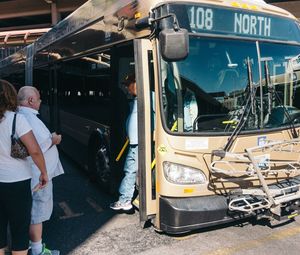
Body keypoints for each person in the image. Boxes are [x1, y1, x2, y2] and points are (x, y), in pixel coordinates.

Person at [0, 80, 48, 255]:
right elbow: (35, 151)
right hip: (17, 182)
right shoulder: (16, 119)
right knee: (20, 228)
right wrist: (43, 173)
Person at [17, 86, 64, 255]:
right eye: (38, 99)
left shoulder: (19, 116)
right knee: (37, 212)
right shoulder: (27, 118)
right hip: (38, 175)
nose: (40, 102)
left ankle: (32, 245)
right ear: (30, 100)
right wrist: (54, 140)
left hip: (32, 173)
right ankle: (37, 250)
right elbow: (36, 147)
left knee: (32, 211)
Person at [110, 73, 138, 211]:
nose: (127, 89)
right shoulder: (136, 99)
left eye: (128, 85)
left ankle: (125, 200)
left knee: (131, 171)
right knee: (129, 170)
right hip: (133, 142)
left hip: (140, 143)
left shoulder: (149, 97)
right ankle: (125, 199)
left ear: (137, 83)